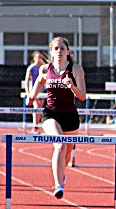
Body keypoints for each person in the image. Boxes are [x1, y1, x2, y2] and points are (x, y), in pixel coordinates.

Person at [27, 37, 86, 199]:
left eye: (62, 48)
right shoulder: (46, 69)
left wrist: (71, 86)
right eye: (56, 49)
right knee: (59, 145)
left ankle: (61, 175)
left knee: (66, 154)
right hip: (50, 114)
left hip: (70, 116)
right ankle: (58, 185)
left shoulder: (76, 69)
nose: (59, 51)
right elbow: (39, 82)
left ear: (68, 52)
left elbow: (82, 96)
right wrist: (32, 97)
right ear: (51, 52)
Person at [24, 51, 46, 134]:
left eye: (41, 57)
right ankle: (35, 126)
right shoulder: (31, 68)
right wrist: (28, 92)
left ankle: (37, 125)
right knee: (36, 106)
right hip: (34, 90)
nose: (39, 59)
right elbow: (27, 81)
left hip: (42, 91)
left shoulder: (43, 68)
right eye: (38, 57)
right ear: (34, 58)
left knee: (40, 107)